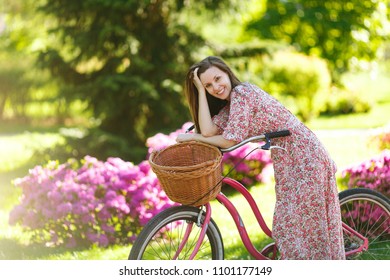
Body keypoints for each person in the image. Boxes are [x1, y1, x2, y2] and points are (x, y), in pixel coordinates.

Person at [176, 56, 345, 260]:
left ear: (227, 72)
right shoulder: (231, 105)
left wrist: (192, 137)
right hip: (288, 158)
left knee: (291, 224)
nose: (216, 87)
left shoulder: (242, 93)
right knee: (290, 223)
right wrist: (200, 91)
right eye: (209, 85)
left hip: (305, 155)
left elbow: (229, 141)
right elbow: (208, 130)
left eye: (218, 79)